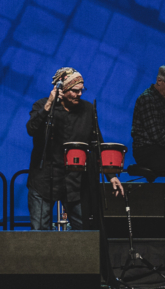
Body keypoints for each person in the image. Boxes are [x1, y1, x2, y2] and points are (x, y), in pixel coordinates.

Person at [25, 68, 122, 231]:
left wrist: (111, 175)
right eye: (75, 91)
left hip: (74, 180)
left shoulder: (88, 109)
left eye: (81, 90)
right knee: (39, 233)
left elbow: (97, 143)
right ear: (62, 90)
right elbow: (31, 129)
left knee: (84, 230)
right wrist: (49, 104)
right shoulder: (42, 105)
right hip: (43, 179)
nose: (79, 94)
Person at [129, 66, 165, 179]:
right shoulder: (147, 99)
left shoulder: (159, 100)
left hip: (158, 151)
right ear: (159, 80)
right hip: (148, 152)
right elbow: (158, 136)